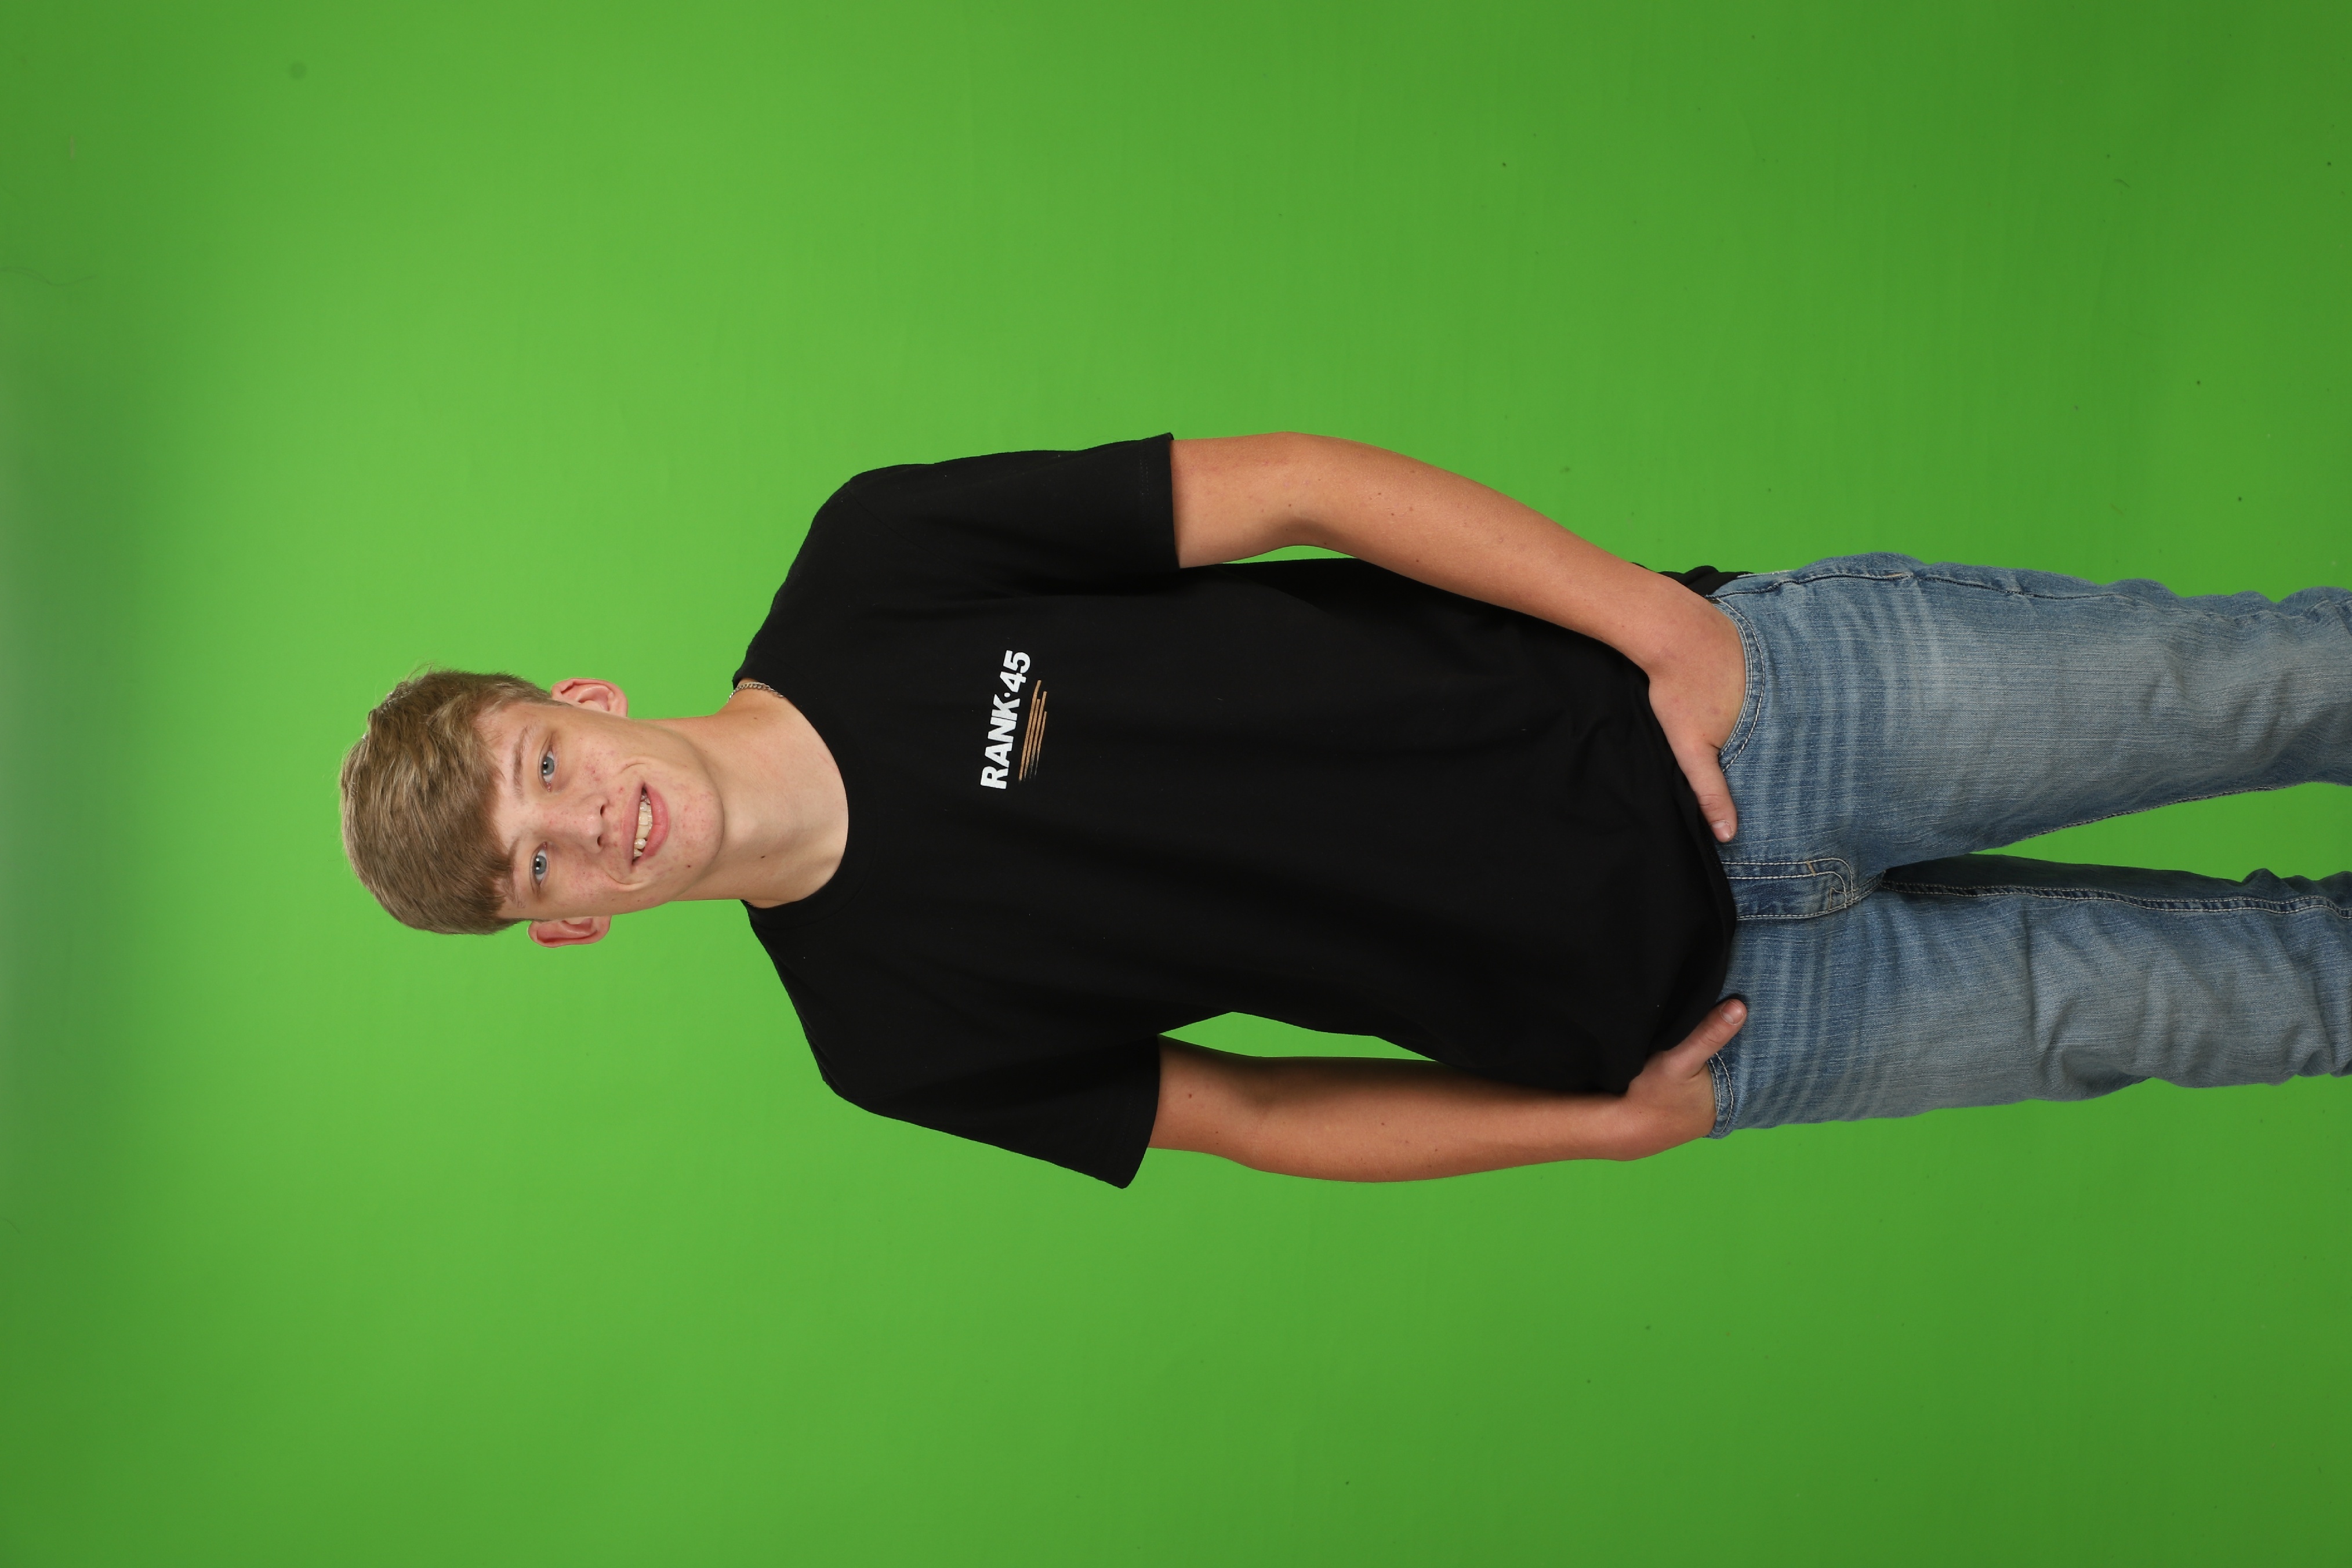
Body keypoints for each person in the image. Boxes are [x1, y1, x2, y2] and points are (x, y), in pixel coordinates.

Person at [339, 434, 2352, 1186]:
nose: (582, 823)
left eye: (542, 770)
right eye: (536, 869)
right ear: (567, 924)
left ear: (576, 704)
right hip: (1726, 1023)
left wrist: (1659, 623)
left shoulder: (878, 566)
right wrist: (1599, 1125)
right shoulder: (887, 1038)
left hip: (1764, 712)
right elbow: (1261, 1118)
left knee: (2270, 685)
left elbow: (1298, 485)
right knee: (2272, 1005)